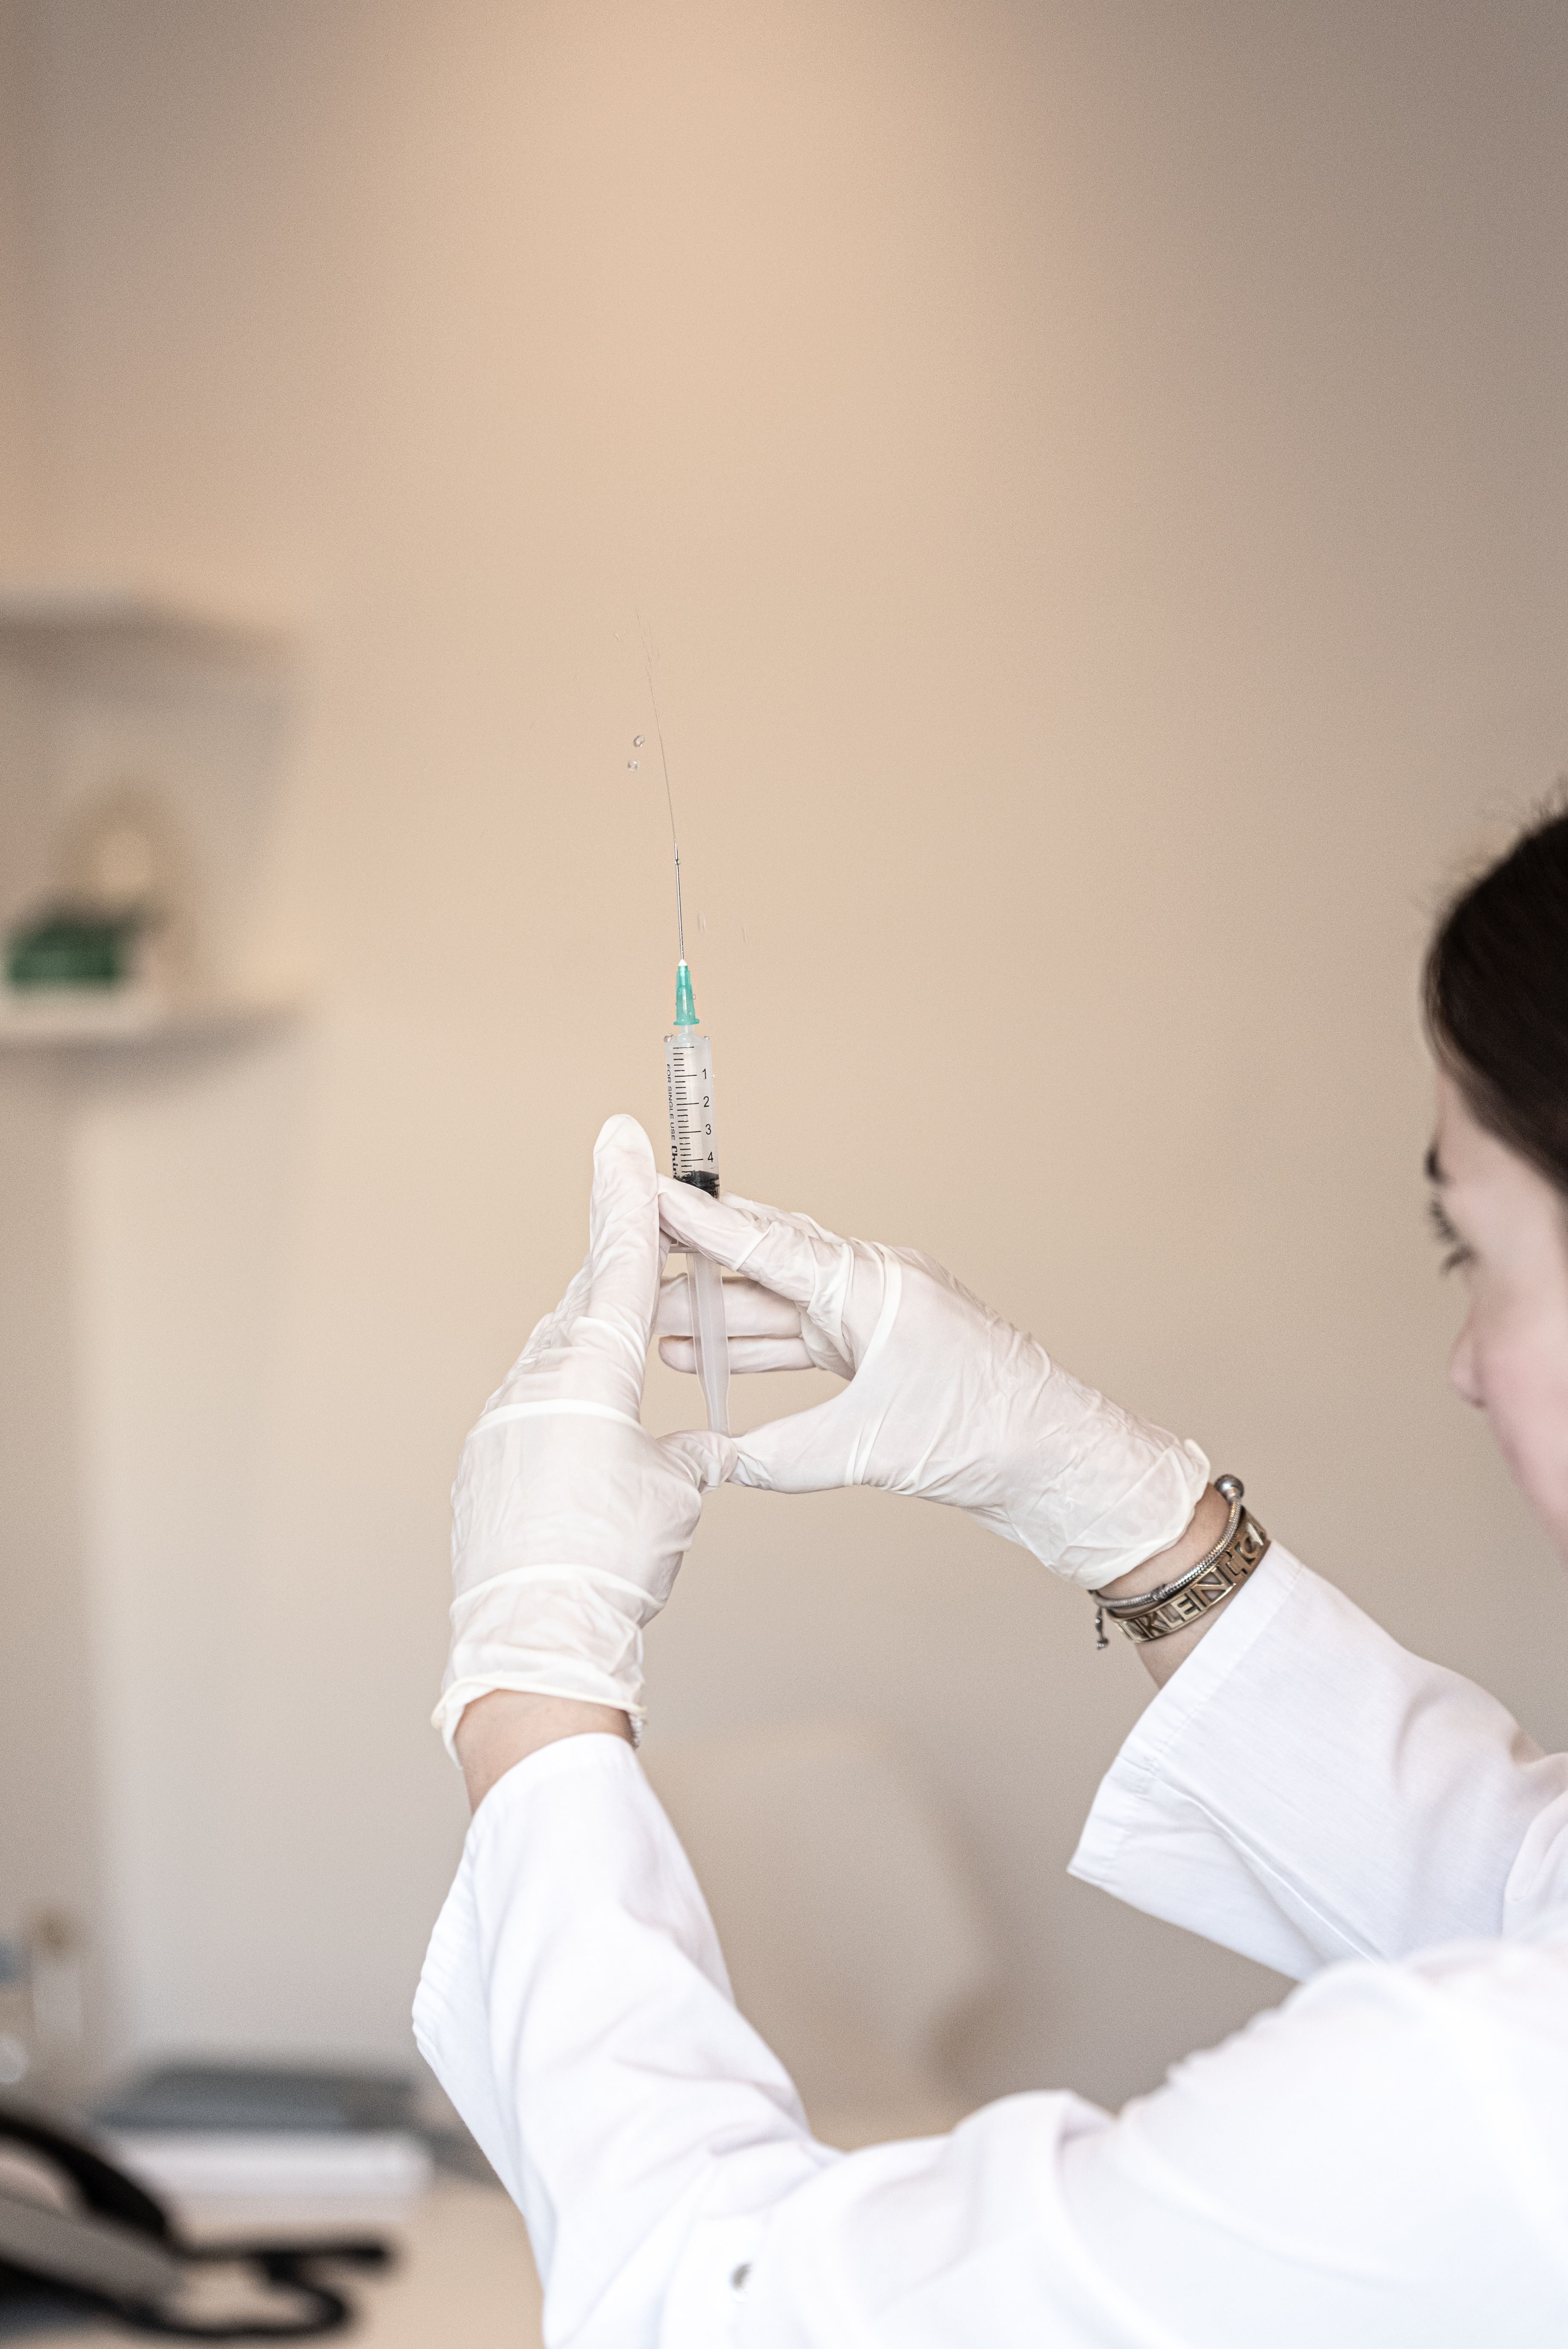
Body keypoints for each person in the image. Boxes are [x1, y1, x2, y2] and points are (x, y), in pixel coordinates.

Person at [414, 804, 1568, 2345]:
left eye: (1465, 1249)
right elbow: (1508, 1886)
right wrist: (1118, 1499)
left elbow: (714, 2311)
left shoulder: (1484, 2113)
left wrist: (530, 1685)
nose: (1463, 1363)